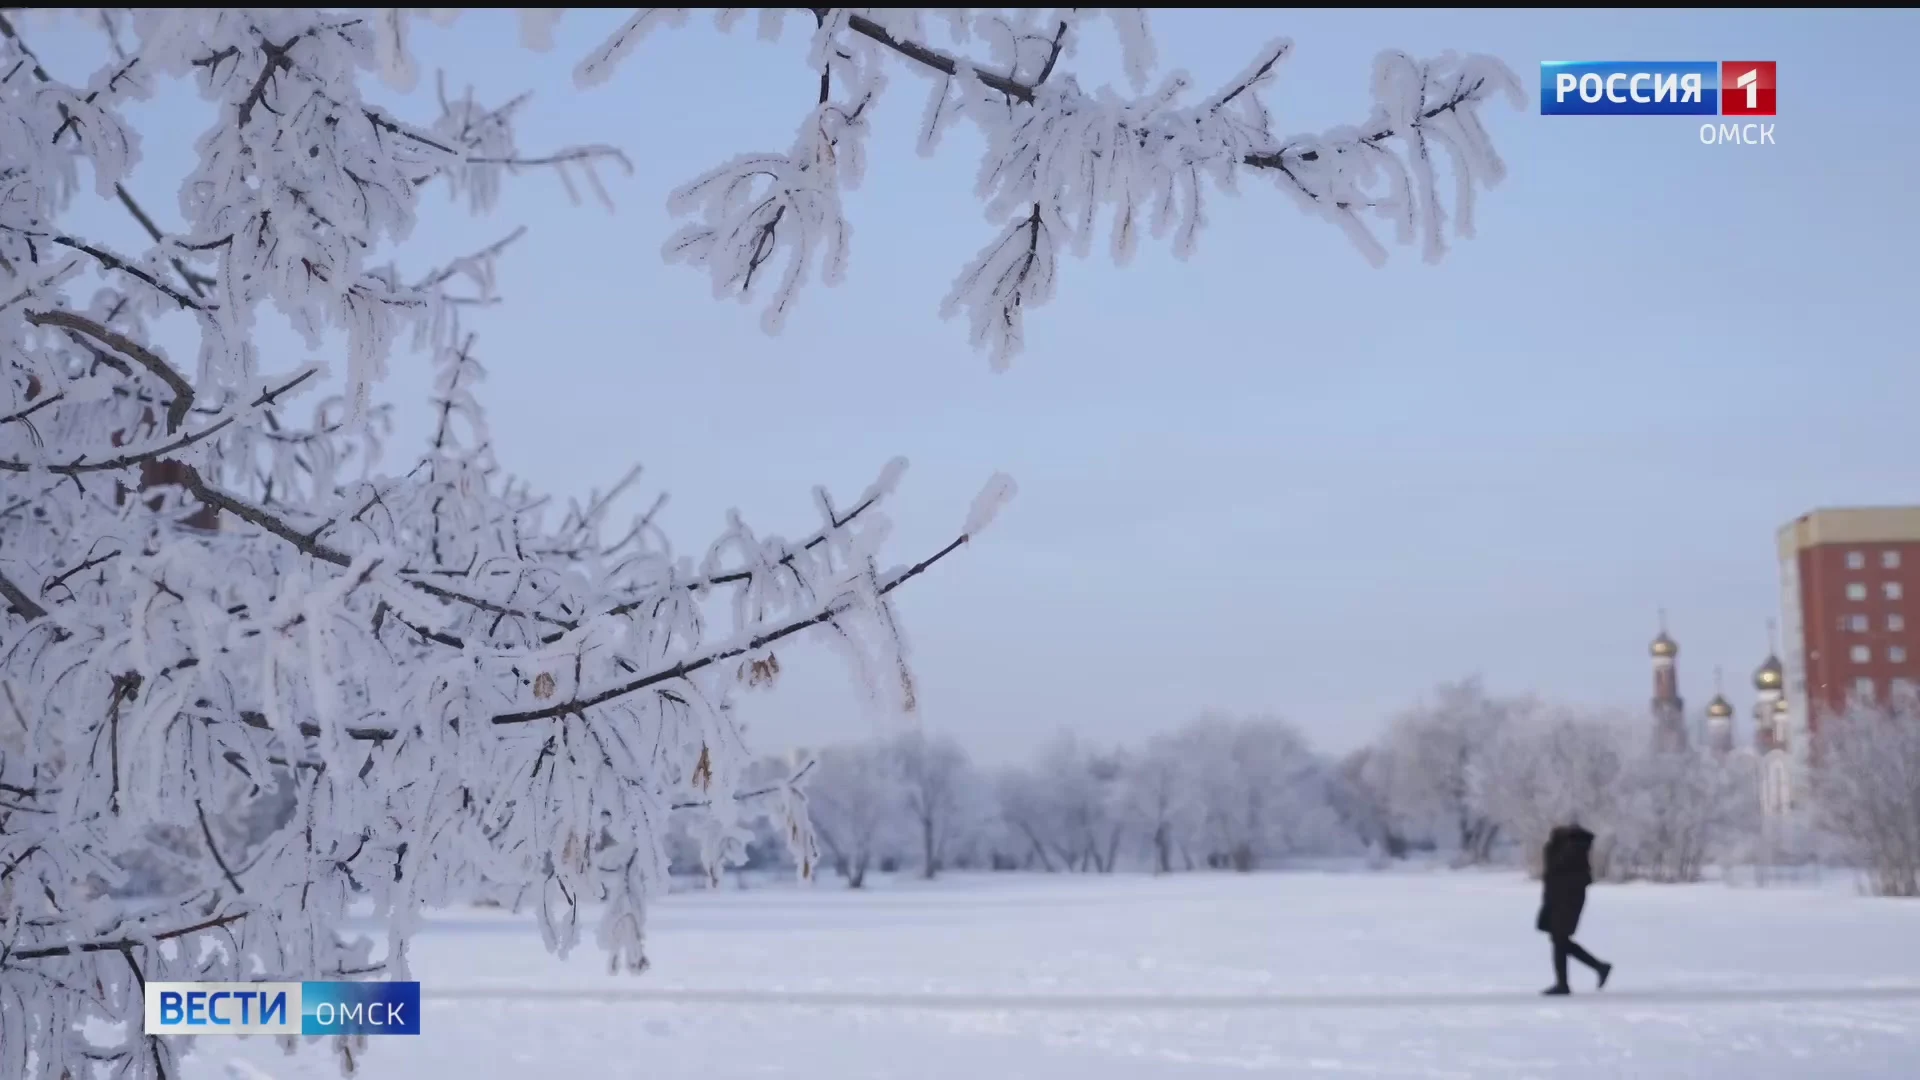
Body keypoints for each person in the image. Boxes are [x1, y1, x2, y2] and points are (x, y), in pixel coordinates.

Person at [1536, 822, 1613, 995]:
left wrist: (1552, 900)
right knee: (1559, 941)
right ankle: (1595, 968)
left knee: (1559, 940)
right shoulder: (1573, 850)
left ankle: (1569, 981)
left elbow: (1557, 877)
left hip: (1563, 901)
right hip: (1565, 901)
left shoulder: (1567, 850)